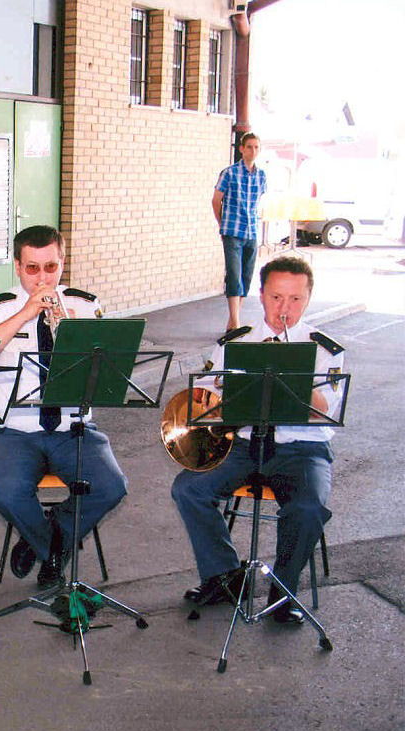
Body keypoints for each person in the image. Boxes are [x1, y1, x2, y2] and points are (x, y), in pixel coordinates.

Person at [172, 255, 344, 625]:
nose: (285, 308)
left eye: (296, 299)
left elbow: (325, 408)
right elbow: (204, 395)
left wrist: (288, 371)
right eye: (277, 297)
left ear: (308, 298)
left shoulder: (325, 349)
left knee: (309, 507)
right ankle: (226, 576)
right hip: (245, 442)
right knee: (188, 488)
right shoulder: (236, 342)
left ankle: (283, 593)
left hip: (302, 447)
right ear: (262, 295)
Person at [0, 225, 128, 590]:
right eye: (32, 269)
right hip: (14, 432)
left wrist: (71, 331)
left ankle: (42, 538)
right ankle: (54, 549)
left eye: (51, 267)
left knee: (111, 485)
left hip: (73, 428)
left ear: (63, 262)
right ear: (17, 266)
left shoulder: (86, 305)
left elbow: (108, 373)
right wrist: (25, 313)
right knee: (5, 491)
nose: (42, 278)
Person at [213, 132, 268, 331]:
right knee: (234, 275)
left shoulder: (261, 175)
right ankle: (234, 322)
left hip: (252, 232)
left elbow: (259, 202)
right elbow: (216, 200)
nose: (253, 151)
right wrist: (223, 223)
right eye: (250, 147)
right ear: (241, 149)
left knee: (246, 276)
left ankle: (233, 320)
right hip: (232, 232)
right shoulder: (229, 173)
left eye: (257, 147)